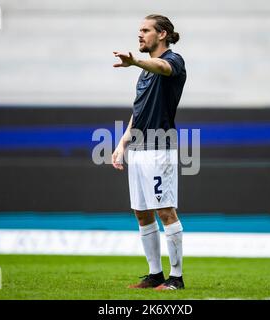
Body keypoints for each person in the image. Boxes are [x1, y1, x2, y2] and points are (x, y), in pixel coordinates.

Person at [112, 14, 187, 290]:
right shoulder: (144, 72)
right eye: (139, 30)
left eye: (145, 30)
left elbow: (163, 67)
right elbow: (138, 111)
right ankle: (155, 274)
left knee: (165, 211)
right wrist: (122, 144)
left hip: (159, 149)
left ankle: (176, 279)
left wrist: (134, 61)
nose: (140, 35)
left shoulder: (174, 61)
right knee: (142, 212)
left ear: (163, 34)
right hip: (139, 149)